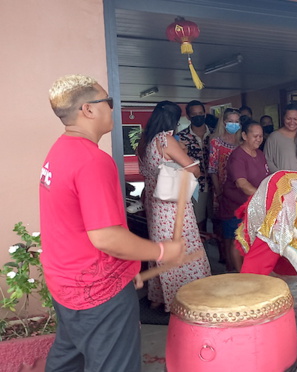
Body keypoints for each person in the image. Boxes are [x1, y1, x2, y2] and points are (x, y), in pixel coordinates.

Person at [40, 74, 185, 372]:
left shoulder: (59, 150)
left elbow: (76, 227)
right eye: (108, 101)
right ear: (88, 110)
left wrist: (124, 271)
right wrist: (161, 252)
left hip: (67, 283)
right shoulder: (93, 161)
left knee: (69, 360)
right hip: (97, 293)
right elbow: (105, 237)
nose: (112, 107)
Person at [138, 101, 211, 311]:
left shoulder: (146, 141)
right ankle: (184, 300)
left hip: (154, 206)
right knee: (182, 249)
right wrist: (184, 154)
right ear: (174, 120)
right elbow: (193, 169)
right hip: (172, 207)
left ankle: (157, 297)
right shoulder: (165, 139)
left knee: (160, 252)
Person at [221, 120, 269, 271]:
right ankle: (241, 276)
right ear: (244, 136)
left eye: (260, 136)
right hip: (236, 207)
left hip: (253, 206)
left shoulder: (260, 154)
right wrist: (264, 197)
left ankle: (250, 272)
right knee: (238, 242)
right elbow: (242, 184)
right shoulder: (238, 156)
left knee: (252, 240)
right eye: (255, 136)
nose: (258, 139)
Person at [208, 107, 242, 269]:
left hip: (241, 193)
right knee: (227, 233)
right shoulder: (216, 142)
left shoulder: (242, 142)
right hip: (223, 192)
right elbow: (213, 169)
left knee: (240, 233)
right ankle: (230, 267)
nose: (233, 124)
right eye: (230, 121)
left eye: (237, 121)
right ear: (224, 122)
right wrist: (219, 192)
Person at [177, 100, 211, 232]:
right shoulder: (181, 137)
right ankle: (202, 251)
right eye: (194, 114)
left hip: (217, 184)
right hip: (195, 186)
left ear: (205, 114)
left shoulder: (214, 135)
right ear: (188, 117)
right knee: (198, 222)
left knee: (219, 221)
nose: (198, 116)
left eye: (200, 113)